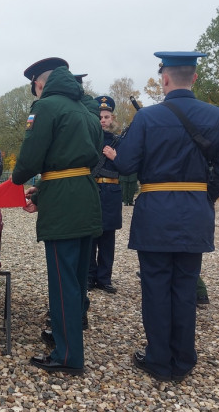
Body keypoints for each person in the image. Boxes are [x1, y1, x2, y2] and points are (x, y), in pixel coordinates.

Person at [112, 51, 219, 382]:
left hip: (155, 211)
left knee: (155, 286)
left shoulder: (147, 118)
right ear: (193, 78)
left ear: (164, 79)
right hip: (194, 211)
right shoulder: (218, 117)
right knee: (184, 286)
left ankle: (158, 358)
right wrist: (202, 195)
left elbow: (125, 166)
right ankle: (183, 358)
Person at [11, 57, 102, 376]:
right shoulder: (86, 110)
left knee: (62, 283)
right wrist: (47, 188)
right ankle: (70, 340)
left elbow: (31, 156)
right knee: (77, 278)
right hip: (85, 194)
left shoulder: (46, 107)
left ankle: (67, 356)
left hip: (63, 203)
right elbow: (87, 156)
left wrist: (16, 182)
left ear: (39, 84)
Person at [88, 96, 122, 294]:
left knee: (108, 239)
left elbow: (128, 168)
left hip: (112, 192)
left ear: (112, 119)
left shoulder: (120, 141)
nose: (103, 120)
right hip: (92, 190)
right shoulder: (89, 138)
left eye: (106, 116)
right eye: (100, 116)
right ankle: (89, 276)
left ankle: (104, 278)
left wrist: (115, 157)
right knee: (91, 236)